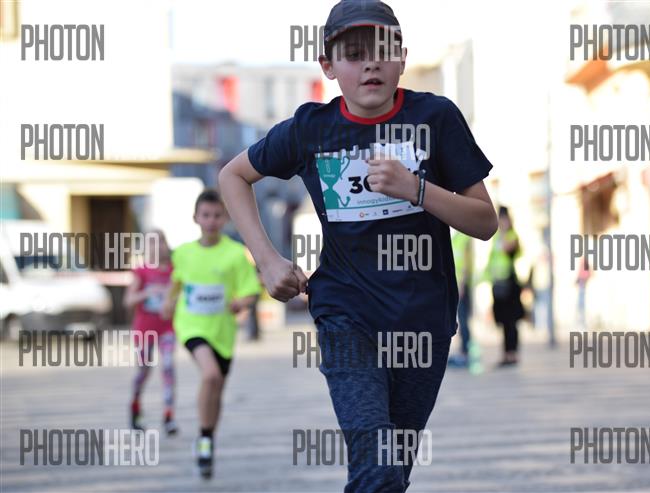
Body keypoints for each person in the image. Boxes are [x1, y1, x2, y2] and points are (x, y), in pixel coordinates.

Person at [219, 1, 498, 490]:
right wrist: (267, 260)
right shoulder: (311, 129)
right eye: (353, 54)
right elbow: (233, 175)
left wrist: (415, 188)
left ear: (402, 58)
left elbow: (485, 221)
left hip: (423, 325)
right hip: (347, 317)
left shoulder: (435, 118)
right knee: (377, 465)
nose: (371, 63)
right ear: (328, 66)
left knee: (390, 475)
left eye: (384, 51)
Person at [161, 189, 261, 479]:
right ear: (196, 218)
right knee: (210, 375)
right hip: (191, 326)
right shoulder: (183, 253)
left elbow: (251, 290)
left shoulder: (235, 254)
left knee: (216, 390)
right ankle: (205, 441)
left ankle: (206, 440)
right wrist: (168, 301)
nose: (211, 220)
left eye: (217, 215)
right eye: (206, 215)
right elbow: (176, 283)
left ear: (225, 218)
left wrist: (240, 303)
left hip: (222, 331)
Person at [123, 230, 177, 436]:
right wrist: (147, 292)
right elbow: (128, 301)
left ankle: (169, 415)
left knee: (168, 367)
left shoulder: (174, 270)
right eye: (152, 242)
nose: (158, 246)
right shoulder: (142, 271)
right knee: (144, 370)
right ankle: (135, 406)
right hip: (145, 329)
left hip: (167, 327)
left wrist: (172, 299)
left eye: (161, 241)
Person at [486, 206, 524, 367]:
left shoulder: (511, 235)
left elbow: (508, 249)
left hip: (510, 283)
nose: (501, 222)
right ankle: (506, 353)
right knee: (502, 321)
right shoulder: (496, 238)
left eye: (503, 219)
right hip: (498, 283)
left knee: (511, 321)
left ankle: (512, 353)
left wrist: (502, 233)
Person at [447, 231, 482, 374]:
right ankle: (464, 351)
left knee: (463, 320)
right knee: (461, 319)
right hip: (457, 282)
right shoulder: (456, 237)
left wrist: (461, 283)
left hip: (461, 284)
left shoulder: (464, 236)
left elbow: (466, 262)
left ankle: (466, 352)